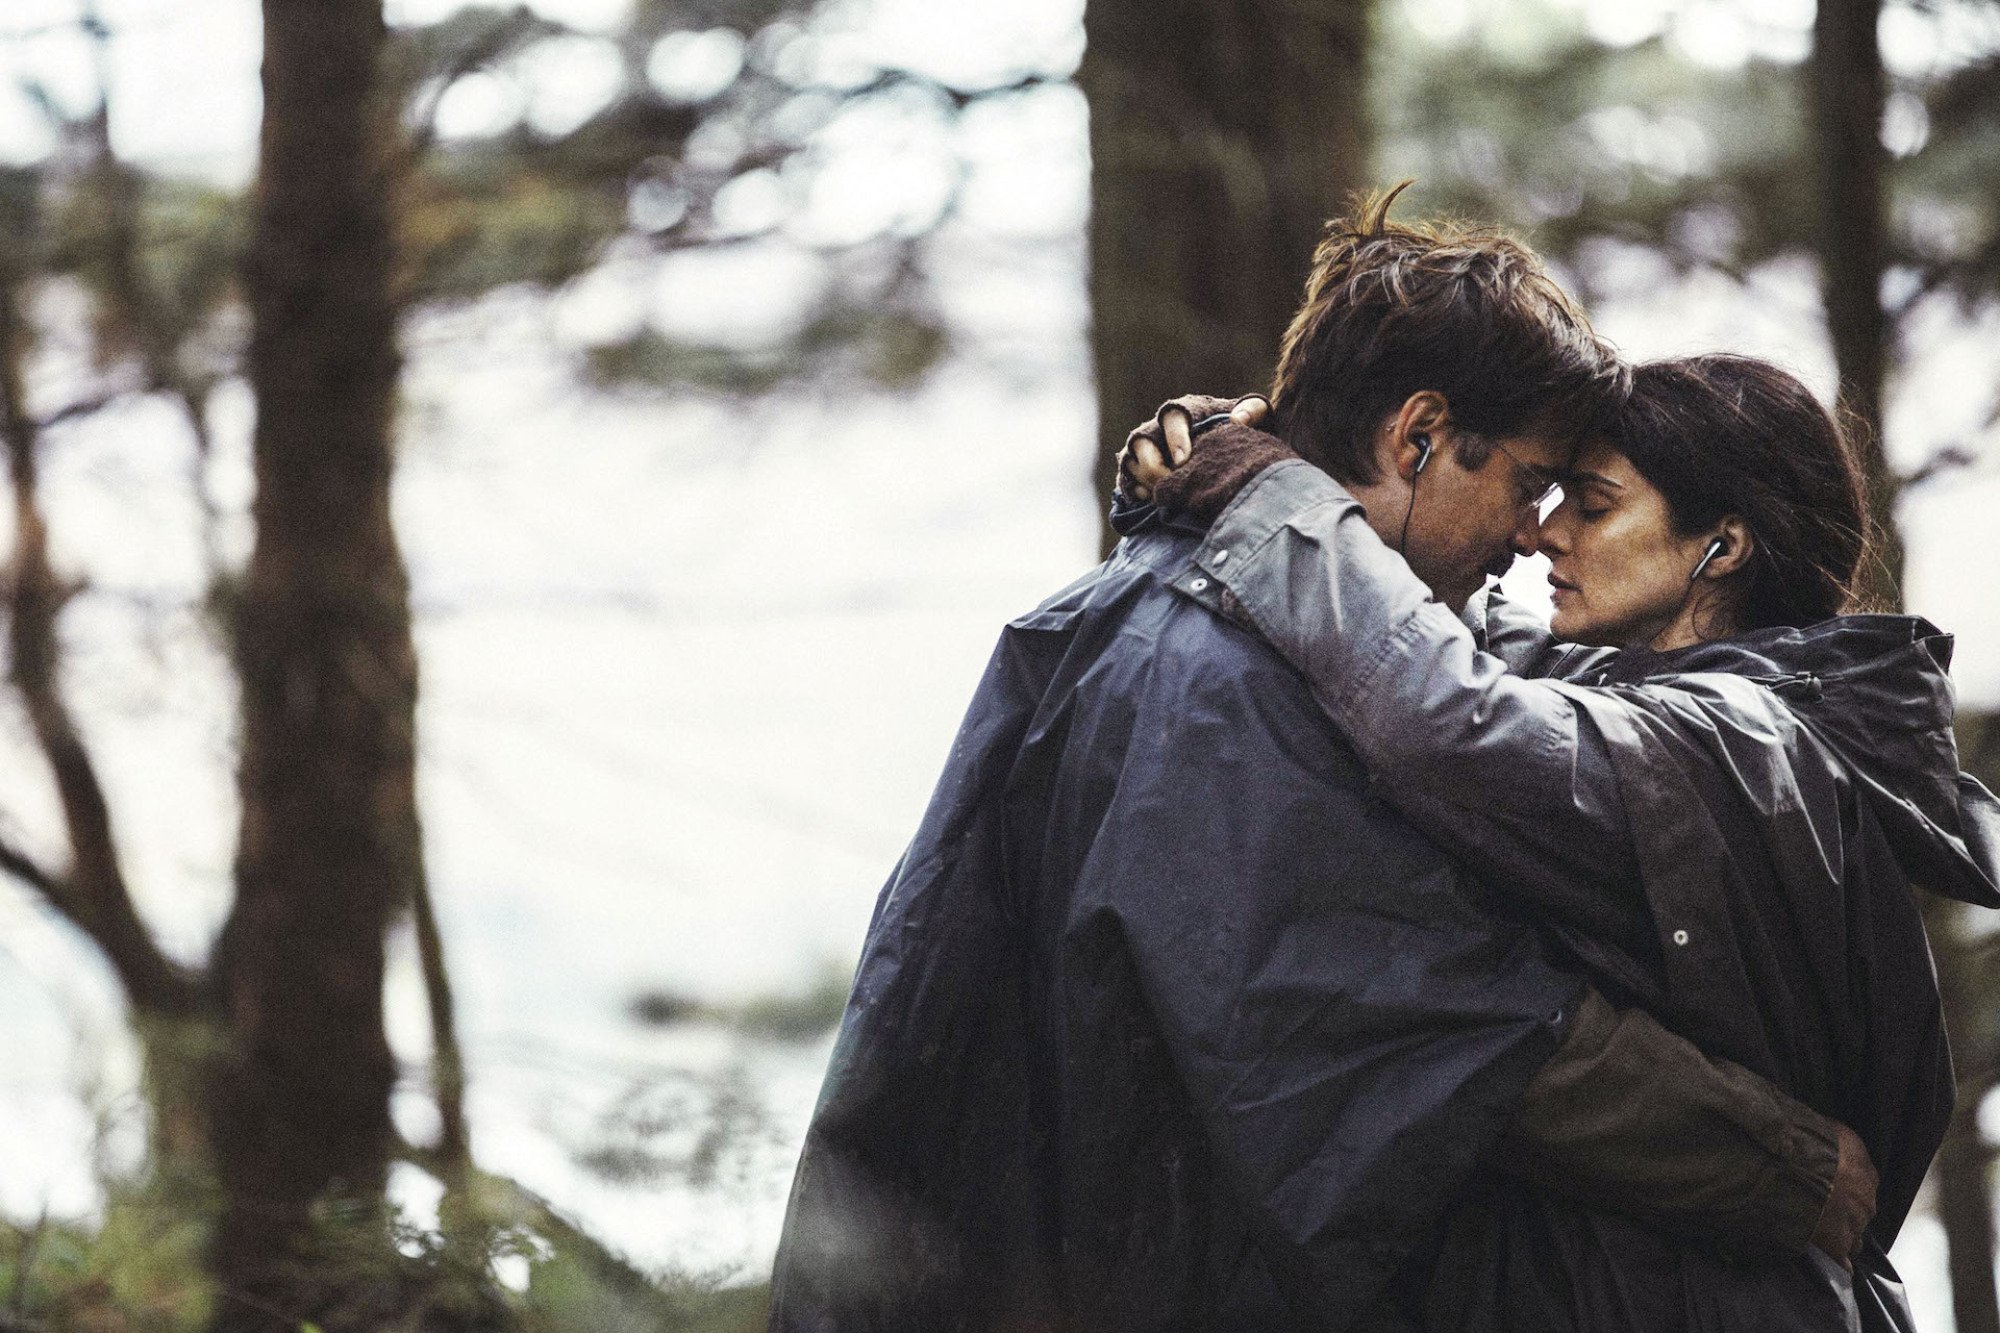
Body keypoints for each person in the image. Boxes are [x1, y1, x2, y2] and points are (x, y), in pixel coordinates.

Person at [767, 197, 1877, 1333]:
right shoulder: (1228, 678)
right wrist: (1790, 1171)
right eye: (1529, 481)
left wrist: (1234, 486)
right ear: (1417, 438)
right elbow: (1441, 1018)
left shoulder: (1163, 616)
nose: (1525, 533)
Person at [1122, 352, 2000, 1329]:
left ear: (1721, 544)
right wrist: (1267, 460)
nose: (1541, 534)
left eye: (1589, 503)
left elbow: (1446, 716)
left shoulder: (1736, 740)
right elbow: (1448, 638)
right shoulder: (1656, 705)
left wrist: (1267, 493)